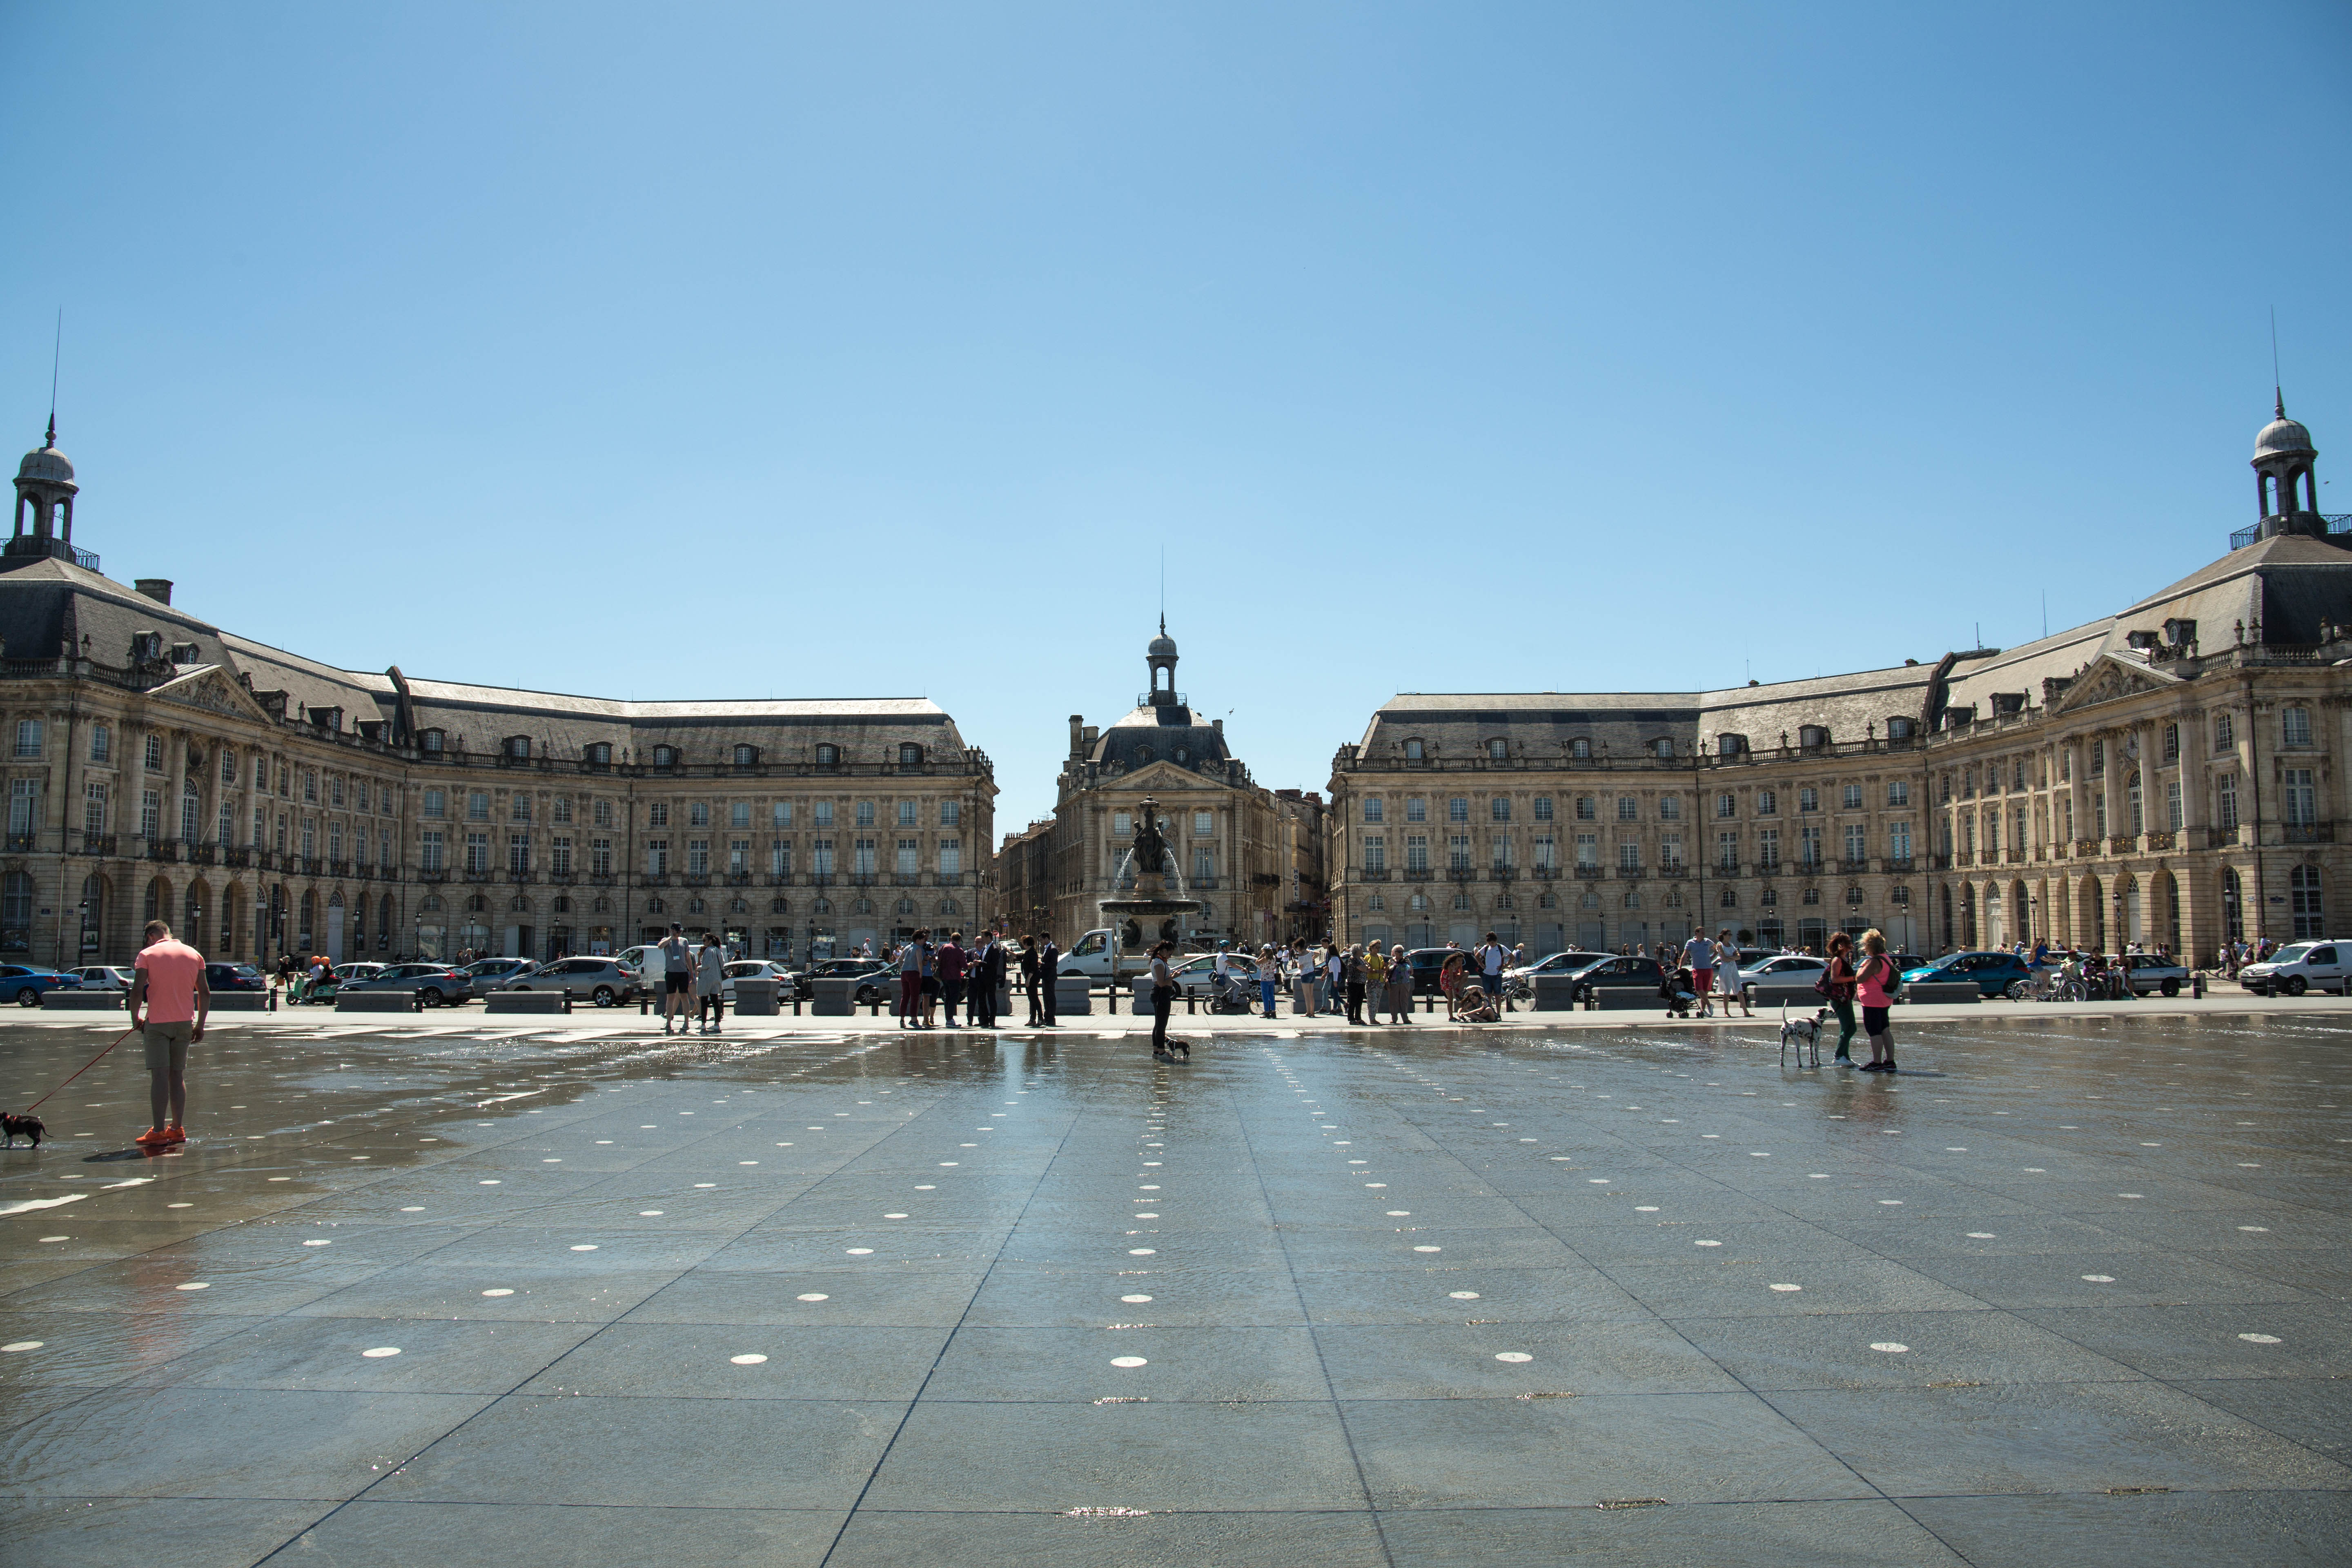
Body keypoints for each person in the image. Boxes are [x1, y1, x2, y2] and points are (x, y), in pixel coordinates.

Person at [129, 920, 211, 1149]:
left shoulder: (147, 954)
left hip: (157, 1024)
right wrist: (200, 1025)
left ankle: (157, 1132)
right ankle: (177, 1129)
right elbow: (204, 992)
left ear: (151, 936)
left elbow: (137, 990)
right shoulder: (194, 954)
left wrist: (135, 1017)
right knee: (177, 1076)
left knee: (159, 1077)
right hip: (185, 1023)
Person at [1854, 927, 1898, 1071]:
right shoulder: (1886, 959)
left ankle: (1877, 1062)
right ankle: (1890, 1061)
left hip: (1872, 1001)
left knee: (1874, 1032)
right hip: (1884, 1000)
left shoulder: (1874, 962)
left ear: (1869, 946)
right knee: (1885, 1030)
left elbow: (1860, 978)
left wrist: (1862, 966)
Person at [1823, 931, 1859, 1064]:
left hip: (1844, 997)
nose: (1851, 944)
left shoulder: (1842, 959)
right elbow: (1835, 979)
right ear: (1842, 945)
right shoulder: (1837, 960)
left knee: (1847, 1027)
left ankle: (1845, 1056)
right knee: (1851, 1027)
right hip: (1839, 998)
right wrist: (1854, 978)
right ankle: (1838, 1056)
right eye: (1849, 942)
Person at [1147, 940, 1183, 1059]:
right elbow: (1162, 983)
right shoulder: (1158, 962)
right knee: (1161, 1025)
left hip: (1162, 993)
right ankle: (1162, 1052)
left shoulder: (1161, 961)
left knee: (1159, 1024)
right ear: (1164, 951)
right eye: (1170, 954)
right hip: (1161, 994)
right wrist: (1174, 977)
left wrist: (1172, 976)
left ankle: (1157, 1051)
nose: (1170, 956)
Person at [658, 922, 693, 1034]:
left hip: (683, 973)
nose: (679, 934)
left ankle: (686, 1023)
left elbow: (688, 958)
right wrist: (670, 938)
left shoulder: (684, 941)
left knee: (684, 996)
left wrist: (692, 972)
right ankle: (668, 1023)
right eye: (677, 931)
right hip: (671, 973)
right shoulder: (666, 941)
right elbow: (660, 946)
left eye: (680, 932)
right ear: (672, 930)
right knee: (670, 998)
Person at [694, 931, 726, 1033]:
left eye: (705, 940)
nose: (703, 942)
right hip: (716, 978)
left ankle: (703, 1023)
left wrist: (699, 968)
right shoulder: (718, 951)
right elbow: (723, 964)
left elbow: (707, 965)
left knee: (704, 1001)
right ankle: (717, 1024)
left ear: (710, 941)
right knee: (715, 1001)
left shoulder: (709, 950)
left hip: (707, 978)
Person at [1717, 929, 1752, 1016]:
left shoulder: (1731, 945)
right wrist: (1733, 958)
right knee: (1727, 990)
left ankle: (1746, 1012)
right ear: (1724, 935)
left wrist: (1730, 958)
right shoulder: (1720, 945)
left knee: (1739, 988)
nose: (1730, 936)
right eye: (1728, 934)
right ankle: (1726, 1012)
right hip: (1725, 968)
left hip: (1733, 967)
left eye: (1731, 934)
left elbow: (1738, 957)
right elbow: (1724, 958)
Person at [1681, 928, 1717, 1011]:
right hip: (1697, 969)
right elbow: (1685, 955)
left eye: (1704, 932)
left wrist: (1713, 957)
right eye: (1702, 932)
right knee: (1698, 989)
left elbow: (1717, 949)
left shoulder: (1707, 941)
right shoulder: (1690, 942)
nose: (1704, 933)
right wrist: (1680, 967)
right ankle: (1710, 1005)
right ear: (1697, 933)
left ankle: (1703, 1010)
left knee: (1705, 991)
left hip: (1708, 968)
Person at [898, 929, 927, 1028]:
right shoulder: (918, 949)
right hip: (914, 973)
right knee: (915, 997)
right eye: (923, 939)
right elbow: (919, 962)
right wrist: (921, 973)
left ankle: (902, 1019)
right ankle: (914, 1020)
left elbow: (900, 960)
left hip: (904, 973)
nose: (924, 941)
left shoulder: (907, 948)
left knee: (905, 997)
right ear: (918, 940)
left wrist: (903, 967)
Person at [938, 931, 967, 1027]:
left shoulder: (943, 947)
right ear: (959, 941)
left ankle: (948, 1019)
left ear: (951, 939)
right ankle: (950, 1020)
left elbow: (939, 959)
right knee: (954, 998)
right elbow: (964, 965)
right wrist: (970, 965)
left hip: (944, 976)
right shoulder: (959, 950)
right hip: (954, 977)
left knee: (948, 998)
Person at [1475, 931, 1510, 1011]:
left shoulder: (1501, 948)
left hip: (1497, 975)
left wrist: (1505, 966)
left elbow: (1512, 957)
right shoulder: (1486, 948)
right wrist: (1482, 965)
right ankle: (1490, 1012)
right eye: (1490, 943)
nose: (1491, 944)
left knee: (1498, 995)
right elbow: (1477, 956)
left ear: (1496, 941)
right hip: (1487, 974)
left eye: (1493, 943)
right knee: (1488, 995)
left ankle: (1498, 1013)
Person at [1384, 943, 1414, 1022]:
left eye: (1402, 951)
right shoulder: (1391, 961)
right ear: (1395, 952)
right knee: (1393, 1001)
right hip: (1394, 984)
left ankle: (1405, 1018)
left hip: (1405, 983)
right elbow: (1386, 972)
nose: (1401, 953)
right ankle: (1394, 1019)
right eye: (1399, 952)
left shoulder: (1407, 961)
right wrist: (1386, 981)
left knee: (1404, 1001)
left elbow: (1412, 972)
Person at [1019, 935, 1043, 1025]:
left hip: (1032, 978)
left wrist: (1028, 980)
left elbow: (1033, 968)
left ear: (1026, 943)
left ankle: (1041, 1018)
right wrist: (1009, 952)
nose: (1023, 945)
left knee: (1035, 998)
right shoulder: (1028, 952)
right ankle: (1032, 1019)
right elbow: (1019, 957)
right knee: (1031, 999)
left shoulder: (1033, 953)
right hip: (1029, 978)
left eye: (1023, 943)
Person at [1037, 933, 1060, 1025]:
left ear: (1046, 939)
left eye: (1041, 940)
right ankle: (1047, 1017)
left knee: (1050, 997)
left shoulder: (1053, 949)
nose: (1041, 942)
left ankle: (1051, 1018)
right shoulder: (1046, 948)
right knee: (1046, 998)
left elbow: (1054, 964)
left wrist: (1042, 964)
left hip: (1050, 977)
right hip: (1045, 977)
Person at [1343, 943, 1367, 1025]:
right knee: (1353, 1001)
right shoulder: (1353, 959)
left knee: (1360, 1001)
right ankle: (1351, 1019)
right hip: (1353, 983)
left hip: (1362, 982)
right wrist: (1366, 968)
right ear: (1357, 951)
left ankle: (1358, 1018)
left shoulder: (1362, 959)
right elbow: (1362, 968)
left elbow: (1368, 967)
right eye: (1361, 949)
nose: (1363, 950)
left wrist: (1366, 968)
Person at [1439, 949, 1466, 1020]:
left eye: (1462, 960)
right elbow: (1451, 979)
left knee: (1466, 973)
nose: (1460, 962)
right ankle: (1451, 1017)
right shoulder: (1451, 965)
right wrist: (1453, 989)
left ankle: (1458, 990)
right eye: (1459, 960)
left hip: (1453, 979)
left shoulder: (1460, 965)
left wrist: (1462, 978)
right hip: (1446, 981)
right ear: (1455, 960)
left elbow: (1462, 973)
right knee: (1450, 999)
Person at [1258, 943, 1280, 1018]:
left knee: (1265, 997)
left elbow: (1257, 962)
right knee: (1271, 996)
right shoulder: (1274, 958)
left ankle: (1267, 1012)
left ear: (1264, 951)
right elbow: (1274, 967)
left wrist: (1261, 956)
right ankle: (1273, 1012)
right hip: (1272, 979)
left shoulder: (1265, 959)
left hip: (1265, 979)